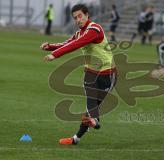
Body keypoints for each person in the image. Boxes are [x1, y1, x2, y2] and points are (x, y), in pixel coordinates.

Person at [40, 4, 117, 145]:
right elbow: (68, 42)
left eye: (80, 16)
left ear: (87, 15)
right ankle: (86, 129)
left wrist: (54, 55)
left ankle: (80, 135)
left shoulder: (95, 28)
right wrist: (50, 46)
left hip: (108, 74)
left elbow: (77, 44)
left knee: (92, 111)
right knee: (91, 107)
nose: (78, 19)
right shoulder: (79, 33)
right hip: (91, 73)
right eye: (75, 18)